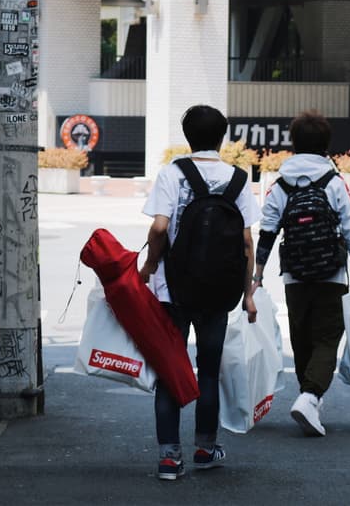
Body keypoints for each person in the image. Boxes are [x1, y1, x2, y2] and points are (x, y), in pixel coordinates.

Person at [139, 105, 261, 480]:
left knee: (169, 369)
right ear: (222, 138)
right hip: (219, 291)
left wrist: (148, 267)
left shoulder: (172, 174)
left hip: (173, 289)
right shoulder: (238, 179)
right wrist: (248, 293)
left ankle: (169, 458)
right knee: (208, 371)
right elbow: (245, 241)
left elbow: (159, 228)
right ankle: (206, 448)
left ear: (187, 136)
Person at [252, 110, 350, 437]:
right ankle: (310, 397)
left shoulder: (280, 185)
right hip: (330, 273)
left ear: (294, 143)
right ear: (325, 144)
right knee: (327, 337)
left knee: (302, 335)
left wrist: (257, 276)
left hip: (294, 274)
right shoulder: (334, 182)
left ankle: (309, 398)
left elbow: (267, 233)